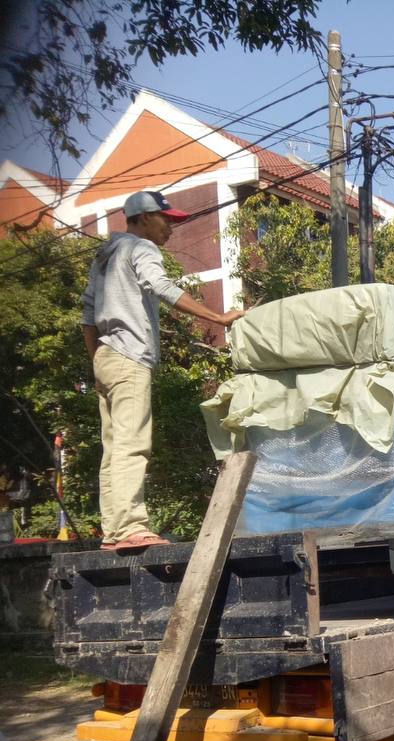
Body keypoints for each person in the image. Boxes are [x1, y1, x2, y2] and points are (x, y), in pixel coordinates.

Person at [81, 190, 245, 550]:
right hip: (129, 357)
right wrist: (219, 317)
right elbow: (162, 286)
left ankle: (114, 531)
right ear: (143, 219)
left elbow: (88, 315)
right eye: (165, 220)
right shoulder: (141, 248)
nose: (170, 228)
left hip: (105, 357)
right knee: (132, 444)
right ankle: (130, 527)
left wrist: (96, 363)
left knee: (114, 447)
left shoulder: (105, 256)